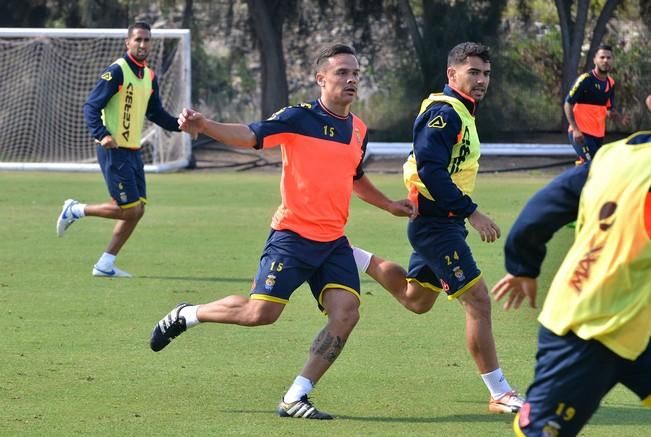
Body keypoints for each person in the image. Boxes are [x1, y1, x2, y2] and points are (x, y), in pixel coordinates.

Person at [148, 43, 416, 420]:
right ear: (320, 78)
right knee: (261, 314)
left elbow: (354, 177)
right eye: (342, 72)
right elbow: (250, 134)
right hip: (292, 236)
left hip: (333, 241)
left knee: (346, 313)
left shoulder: (358, 130)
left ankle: (296, 396)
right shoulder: (298, 117)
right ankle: (188, 314)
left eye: (356, 73)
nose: (351, 79)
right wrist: (206, 125)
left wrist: (388, 204)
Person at [351, 42, 523, 414]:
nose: (481, 80)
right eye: (473, 72)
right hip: (435, 226)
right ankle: (500, 393)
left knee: (417, 300)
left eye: (486, 73)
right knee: (477, 300)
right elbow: (430, 168)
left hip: (441, 224)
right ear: (452, 74)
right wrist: (471, 212)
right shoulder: (444, 114)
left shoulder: (462, 111)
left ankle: (351, 257)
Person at [491, 122, 651, 433]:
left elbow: (542, 207)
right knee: (542, 431)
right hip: (587, 332)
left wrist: (523, 265)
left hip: (632, 326)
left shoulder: (615, 156)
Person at [55, 21, 183, 277]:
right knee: (128, 209)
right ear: (128, 42)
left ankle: (105, 264)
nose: (143, 44)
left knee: (138, 210)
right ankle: (75, 210)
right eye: (138, 40)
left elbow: (156, 112)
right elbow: (91, 106)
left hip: (133, 151)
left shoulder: (149, 76)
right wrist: (102, 134)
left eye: (147, 40)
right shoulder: (117, 71)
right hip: (114, 150)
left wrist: (181, 124)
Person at [563, 44, 629, 163]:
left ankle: (579, 181)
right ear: (595, 60)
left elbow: (609, 109)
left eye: (608, 58)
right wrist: (576, 129)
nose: (605, 60)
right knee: (592, 164)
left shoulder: (611, 83)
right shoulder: (585, 79)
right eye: (602, 57)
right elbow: (568, 104)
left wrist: (620, 118)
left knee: (590, 167)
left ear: (612, 60)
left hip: (598, 136)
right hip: (581, 133)